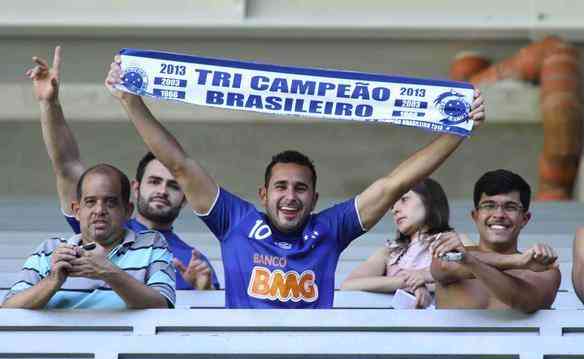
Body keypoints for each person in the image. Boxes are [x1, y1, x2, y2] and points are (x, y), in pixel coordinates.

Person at [105, 56, 485, 308]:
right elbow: (181, 165)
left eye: (300, 188)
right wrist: (130, 102)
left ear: (314, 197)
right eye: (281, 187)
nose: (290, 196)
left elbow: (393, 184)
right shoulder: (235, 221)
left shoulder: (330, 229)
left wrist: (457, 130)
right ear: (263, 194)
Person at [25, 46, 218, 290]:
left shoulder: (195, 261)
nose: (162, 191)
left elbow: (206, 321)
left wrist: (200, 292)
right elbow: (67, 165)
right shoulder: (105, 221)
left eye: (173, 185)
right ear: (135, 189)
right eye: (154, 181)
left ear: (185, 199)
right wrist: (49, 103)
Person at [2, 165, 175, 309]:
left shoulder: (152, 244)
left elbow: (162, 306)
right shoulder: (50, 250)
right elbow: (8, 309)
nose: (99, 211)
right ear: (77, 211)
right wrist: (53, 281)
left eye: (111, 202)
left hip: (128, 347)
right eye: (90, 202)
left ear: (127, 211)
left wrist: (108, 272)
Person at [431, 169, 561, 313]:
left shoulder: (542, 268)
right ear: (475, 216)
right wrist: (517, 261)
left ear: (525, 219)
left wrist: (470, 261)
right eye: (489, 205)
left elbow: (525, 301)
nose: (499, 214)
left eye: (510, 207)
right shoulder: (449, 255)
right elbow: (443, 267)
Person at [341, 178, 452, 308]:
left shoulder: (454, 241)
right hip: (396, 324)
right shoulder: (389, 252)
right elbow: (348, 285)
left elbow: (472, 273)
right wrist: (409, 283)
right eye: (392, 206)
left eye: (404, 200)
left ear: (429, 201)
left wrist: (424, 277)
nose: (395, 210)